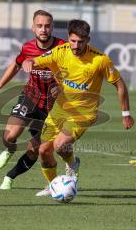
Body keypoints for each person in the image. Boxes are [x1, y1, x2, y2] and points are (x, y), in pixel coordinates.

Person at [23, 19, 134, 196]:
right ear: (68, 38)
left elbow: (120, 84)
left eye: (80, 42)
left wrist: (126, 114)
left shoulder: (100, 60)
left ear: (88, 40)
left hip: (83, 113)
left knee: (60, 145)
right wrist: (29, 62)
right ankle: (54, 186)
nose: (76, 45)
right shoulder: (60, 52)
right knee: (43, 151)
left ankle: (72, 164)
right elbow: (34, 60)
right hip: (59, 110)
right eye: (73, 41)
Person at [0, 10, 68, 190]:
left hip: (53, 108)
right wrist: (0, 84)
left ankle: (9, 177)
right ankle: (10, 149)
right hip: (30, 97)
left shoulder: (64, 49)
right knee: (10, 136)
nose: (43, 29)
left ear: (52, 27)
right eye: (40, 26)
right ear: (33, 28)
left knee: (34, 149)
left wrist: (62, 87)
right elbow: (16, 64)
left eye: (47, 26)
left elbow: (74, 74)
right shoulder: (27, 47)